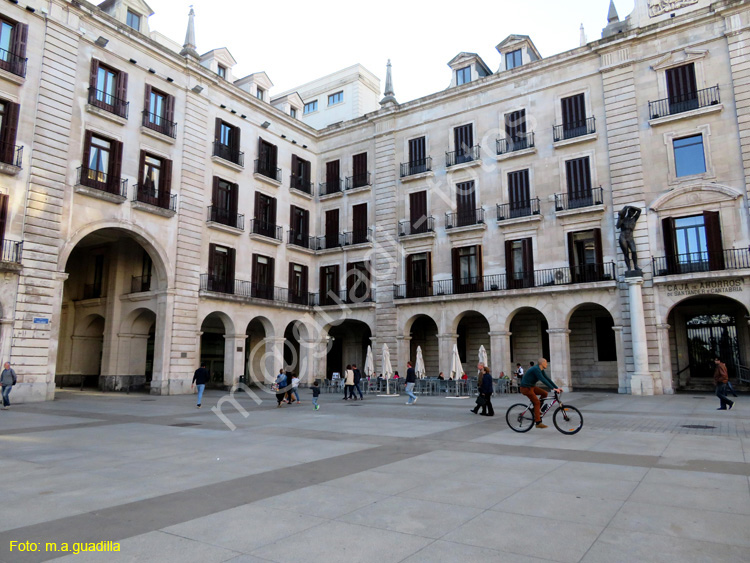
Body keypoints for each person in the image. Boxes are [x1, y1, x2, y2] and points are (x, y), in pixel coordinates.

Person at [519, 358, 562, 429]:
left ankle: (535, 410)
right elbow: (543, 380)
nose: (547, 364)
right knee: (537, 402)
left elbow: (547, 379)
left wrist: (557, 387)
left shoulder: (541, 370)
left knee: (545, 393)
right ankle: (538, 422)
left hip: (531, 387)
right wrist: (553, 388)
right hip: (525, 388)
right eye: (546, 363)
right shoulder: (536, 369)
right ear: (542, 363)